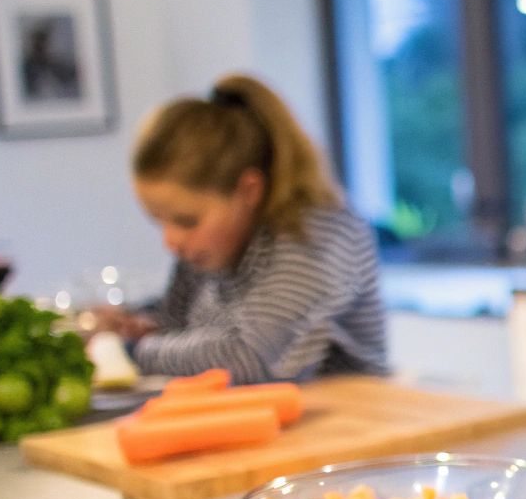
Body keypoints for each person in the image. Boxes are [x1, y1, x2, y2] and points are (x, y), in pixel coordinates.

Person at [94, 74, 390, 383]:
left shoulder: (318, 233)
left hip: (349, 419)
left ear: (248, 191)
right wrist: (139, 323)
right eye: (160, 222)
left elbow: (249, 357)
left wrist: (128, 350)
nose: (171, 241)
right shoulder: (211, 246)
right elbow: (176, 323)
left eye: (186, 221)